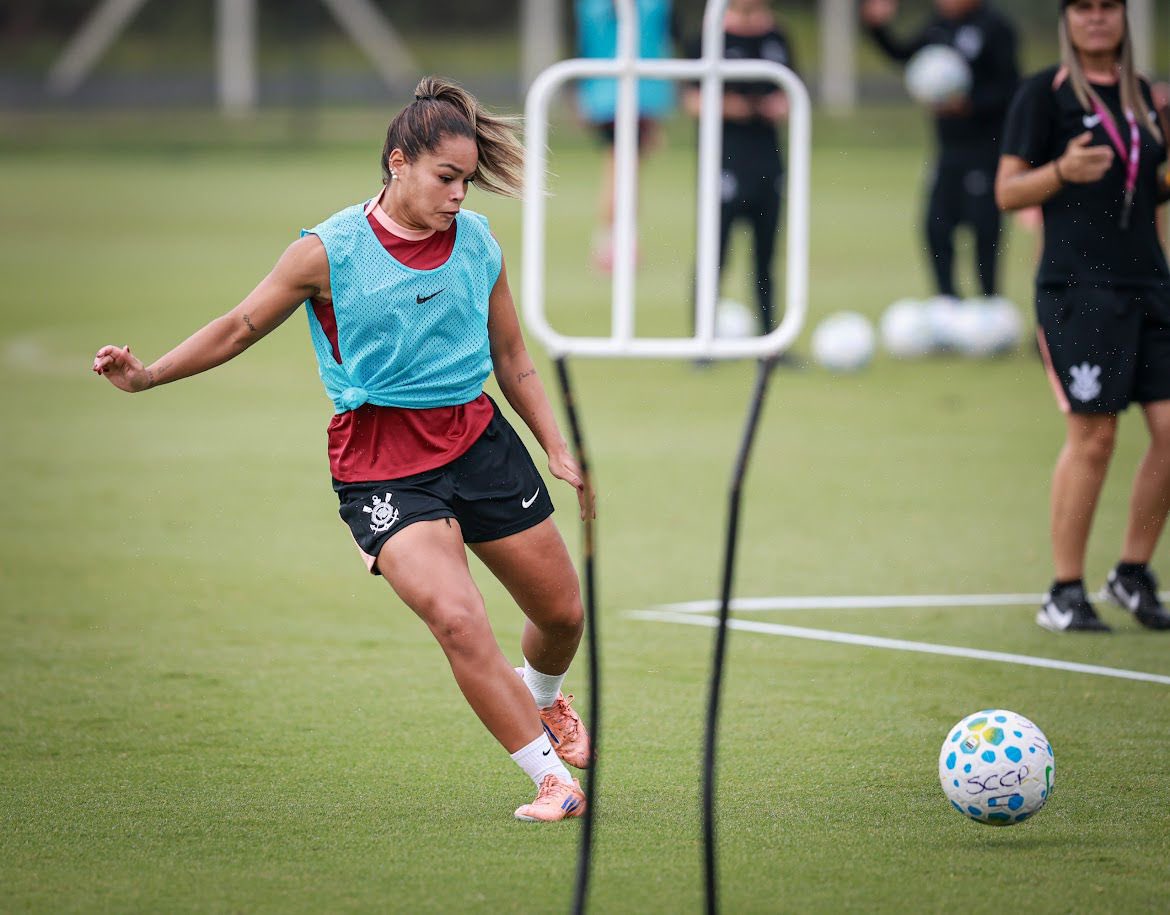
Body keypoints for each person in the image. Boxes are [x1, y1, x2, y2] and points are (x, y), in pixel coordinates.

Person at [93, 76, 597, 819]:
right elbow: (238, 326)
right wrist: (149, 376)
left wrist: (555, 443)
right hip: (383, 458)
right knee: (458, 620)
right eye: (446, 178)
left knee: (562, 616)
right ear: (399, 163)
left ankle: (543, 698)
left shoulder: (479, 242)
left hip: (476, 438)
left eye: (467, 181)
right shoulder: (326, 252)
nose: (460, 195)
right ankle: (551, 778)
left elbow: (512, 351)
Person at [996, 0, 1170, 633]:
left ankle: (1131, 573)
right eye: (1084, 8)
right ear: (1067, 18)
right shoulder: (1044, 94)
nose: (1098, 19)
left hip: (1149, 284)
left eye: (1109, 8)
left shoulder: (1143, 94)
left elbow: (1147, 186)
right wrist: (1062, 172)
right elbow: (1008, 190)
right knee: (1095, 437)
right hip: (1078, 289)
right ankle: (1063, 590)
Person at [861, 0, 1019, 304]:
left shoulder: (995, 27)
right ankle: (946, 301)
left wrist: (970, 104)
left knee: (985, 228)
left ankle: (989, 302)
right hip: (947, 150)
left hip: (985, 150)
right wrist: (877, 27)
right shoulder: (938, 26)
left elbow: (1011, 88)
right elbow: (904, 56)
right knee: (936, 226)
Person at [683, 0, 794, 336]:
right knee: (713, 254)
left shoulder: (777, 36)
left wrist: (775, 106)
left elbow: (791, 94)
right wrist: (738, 107)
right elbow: (693, 100)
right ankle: (702, 339)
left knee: (766, 257)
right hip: (724, 160)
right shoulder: (705, 37)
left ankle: (770, 340)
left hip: (768, 159)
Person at [574, 0, 677, 271]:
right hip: (633, 91)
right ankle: (614, 244)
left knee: (623, 166)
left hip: (610, 90)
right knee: (622, 168)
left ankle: (616, 241)